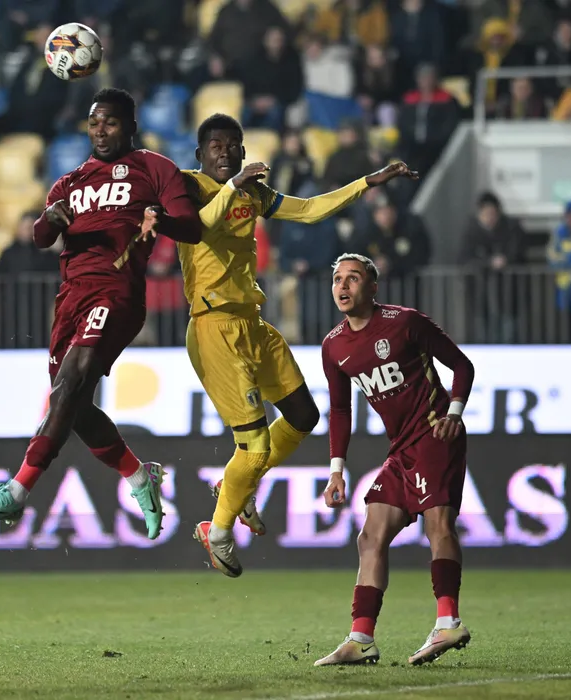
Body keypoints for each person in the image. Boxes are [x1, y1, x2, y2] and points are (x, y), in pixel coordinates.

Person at [177, 114, 417, 577]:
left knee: (304, 416)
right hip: (212, 327)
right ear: (200, 154)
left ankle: (236, 488)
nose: (225, 152)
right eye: (215, 146)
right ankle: (218, 530)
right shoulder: (189, 187)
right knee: (253, 449)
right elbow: (198, 228)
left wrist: (367, 182)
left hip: (252, 323)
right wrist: (233, 186)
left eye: (233, 145)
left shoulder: (253, 193)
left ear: (243, 151)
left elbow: (308, 209)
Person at [0, 88, 202, 538]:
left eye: (110, 122)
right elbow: (40, 237)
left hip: (116, 292)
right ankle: (140, 477)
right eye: (94, 123)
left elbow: (192, 226)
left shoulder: (154, 168)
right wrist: (49, 220)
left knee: (70, 384)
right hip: (70, 300)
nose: (100, 131)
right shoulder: (69, 183)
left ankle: (18, 490)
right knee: (71, 403)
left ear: (130, 126)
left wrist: (161, 221)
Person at [315, 253, 474, 668]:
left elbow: (461, 365)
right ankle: (361, 639)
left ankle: (448, 622)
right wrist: (336, 471)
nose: (343, 286)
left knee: (438, 523)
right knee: (370, 535)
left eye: (353, 278)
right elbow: (340, 410)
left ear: (373, 287)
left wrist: (455, 413)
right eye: (337, 279)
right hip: (401, 447)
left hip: (436, 432)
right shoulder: (333, 346)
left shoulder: (405, 323)